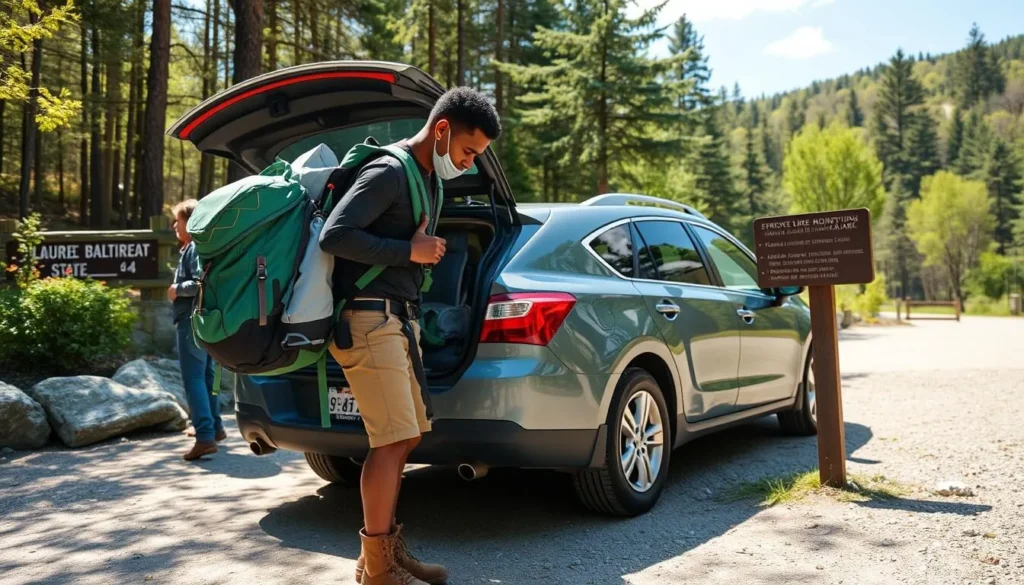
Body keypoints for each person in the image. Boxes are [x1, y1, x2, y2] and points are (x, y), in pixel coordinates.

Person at [319, 87, 501, 585]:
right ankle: (378, 569)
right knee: (392, 439)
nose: (467, 164)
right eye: (467, 152)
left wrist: (417, 252)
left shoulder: (426, 179)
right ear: (442, 130)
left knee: (408, 435)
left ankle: (383, 552)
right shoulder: (389, 171)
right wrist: (410, 252)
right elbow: (334, 235)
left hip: (397, 319)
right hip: (367, 318)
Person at [168, 199, 226, 461]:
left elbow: (199, 283)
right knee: (205, 375)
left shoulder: (193, 249)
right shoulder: (200, 248)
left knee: (193, 378)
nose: (174, 226)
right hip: (203, 320)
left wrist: (176, 290)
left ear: (190, 223)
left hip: (191, 320)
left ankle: (204, 437)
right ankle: (215, 427)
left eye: (177, 221)